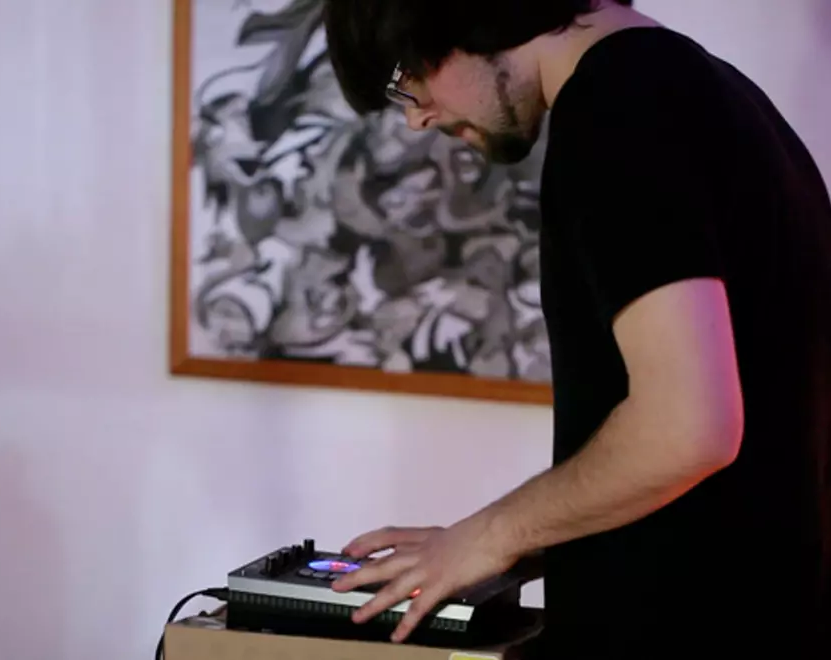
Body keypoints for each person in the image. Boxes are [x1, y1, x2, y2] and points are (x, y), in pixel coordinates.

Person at [320, 1, 831, 658]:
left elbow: (689, 430)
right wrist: (499, 539)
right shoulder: (719, 96)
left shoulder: (616, 109)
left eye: (404, 78)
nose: (417, 116)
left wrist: (490, 536)